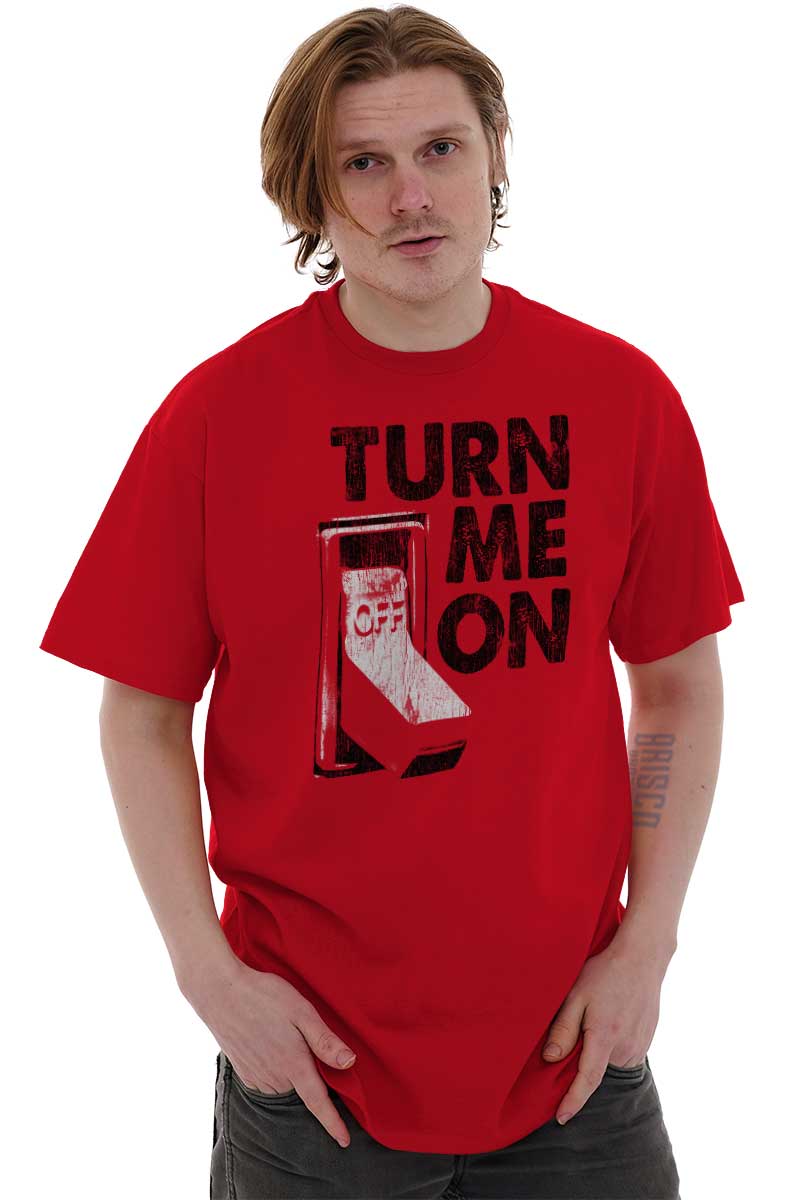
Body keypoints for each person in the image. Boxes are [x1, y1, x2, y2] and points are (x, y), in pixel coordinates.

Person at [39, 6, 744, 1198]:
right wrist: (205, 976)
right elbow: (140, 712)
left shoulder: (619, 397)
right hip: (312, 1077)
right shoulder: (217, 418)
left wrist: (647, 944)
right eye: (362, 164)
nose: (410, 197)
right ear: (308, 195)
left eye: (440, 149)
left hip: (575, 1055)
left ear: (494, 154)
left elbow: (675, 683)